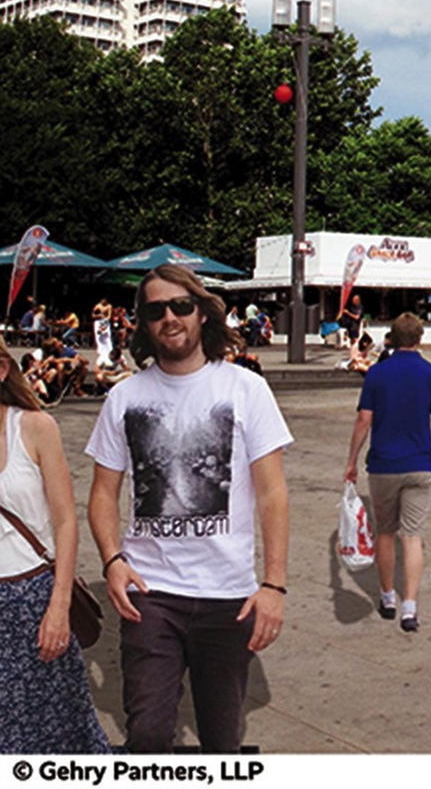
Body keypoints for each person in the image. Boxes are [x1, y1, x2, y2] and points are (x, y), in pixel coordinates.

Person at [86, 264, 292, 754]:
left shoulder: (245, 388)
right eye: (155, 310)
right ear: (142, 322)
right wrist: (113, 561)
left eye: (181, 305)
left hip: (229, 596)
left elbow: (273, 493)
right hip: (151, 595)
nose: (170, 318)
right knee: (148, 735)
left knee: (222, 741)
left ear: (202, 313)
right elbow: (101, 493)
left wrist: (274, 584)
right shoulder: (124, 398)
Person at [0, 335, 110, 754]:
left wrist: (59, 607)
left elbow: (65, 522)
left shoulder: (34, 426)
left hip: (35, 599)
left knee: (58, 732)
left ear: (2, 370)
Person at [344, 312, 431, 633]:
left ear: (391, 338)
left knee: (386, 532)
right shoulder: (429, 373)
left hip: (383, 465)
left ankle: (387, 596)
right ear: (419, 339)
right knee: (413, 536)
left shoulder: (377, 373)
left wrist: (351, 460)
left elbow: (364, 419)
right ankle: (410, 606)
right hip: (420, 464)